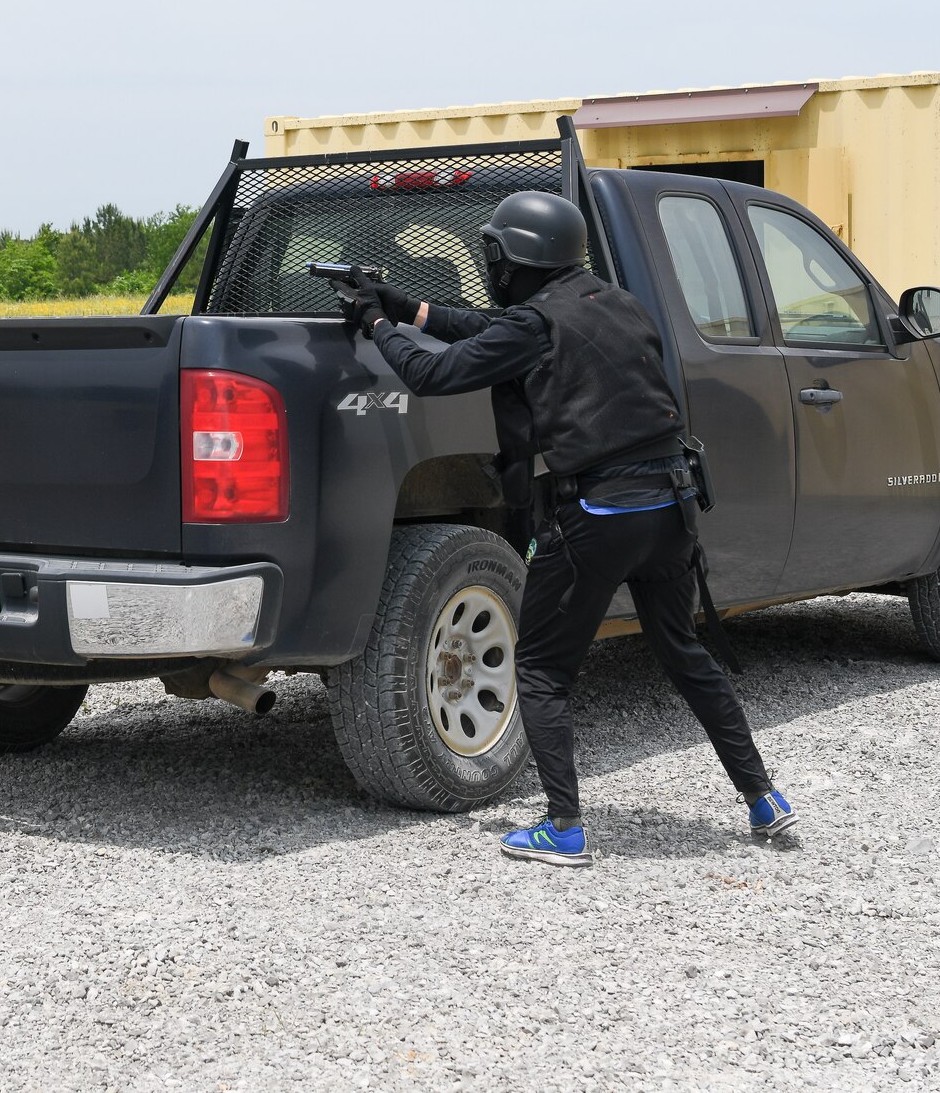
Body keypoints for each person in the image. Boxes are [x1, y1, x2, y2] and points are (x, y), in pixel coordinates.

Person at [339, 191, 795, 866]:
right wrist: (405, 305)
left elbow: (435, 370)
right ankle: (763, 798)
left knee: (542, 668)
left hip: (600, 515)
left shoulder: (535, 324)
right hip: (670, 509)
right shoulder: (616, 303)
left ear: (514, 256)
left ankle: (565, 826)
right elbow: (495, 328)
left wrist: (377, 324)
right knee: (683, 655)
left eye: (493, 252)